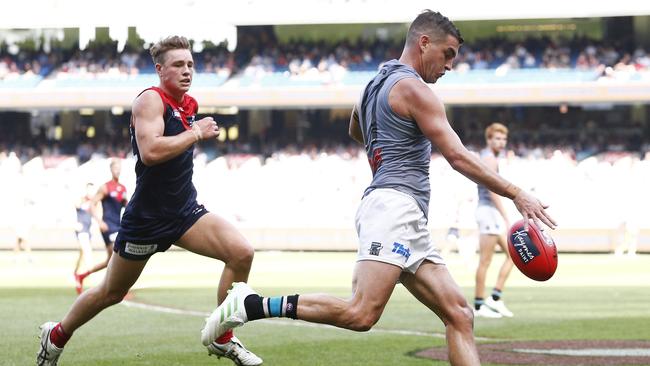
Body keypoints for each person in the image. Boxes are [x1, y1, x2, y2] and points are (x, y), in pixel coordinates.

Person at [201, 10, 556, 366]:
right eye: (447, 55)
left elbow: (357, 128)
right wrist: (517, 192)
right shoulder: (415, 89)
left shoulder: (374, 84)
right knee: (361, 314)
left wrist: (388, 143)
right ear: (424, 42)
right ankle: (251, 305)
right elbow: (458, 156)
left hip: (403, 212)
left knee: (459, 313)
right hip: (393, 208)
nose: (450, 66)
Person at [37, 36, 261, 366]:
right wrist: (196, 133)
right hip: (147, 220)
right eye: (178, 65)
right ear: (160, 69)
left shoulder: (189, 104)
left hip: (185, 212)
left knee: (241, 253)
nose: (187, 71)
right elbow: (151, 152)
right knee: (110, 293)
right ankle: (56, 335)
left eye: (190, 65)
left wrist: (193, 129)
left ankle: (222, 336)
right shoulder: (149, 101)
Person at [473, 123, 515, 318]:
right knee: (486, 260)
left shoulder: (491, 158)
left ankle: (494, 299)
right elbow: (492, 191)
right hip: (489, 211)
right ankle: (480, 305)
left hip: (490, 212)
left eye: (503, 139)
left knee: (513, 255)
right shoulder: (489, 159)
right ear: (489, 140)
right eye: (497, 138)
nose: (501, 142)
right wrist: (506, 216)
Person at [74, 158, 128, 293]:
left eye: (119, 168)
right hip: (108, 226)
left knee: (110, 260)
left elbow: (127, 206)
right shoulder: (105, 187)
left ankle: (82, 275)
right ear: (111, 170)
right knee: (120, 255)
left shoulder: (122, 188)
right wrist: (99, 221)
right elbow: (92, 204)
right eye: (116, 168)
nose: (118, 171)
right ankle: (116, 287)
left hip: (118, 226)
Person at [73, 183, 96, 295]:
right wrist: (74, 223)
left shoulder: (94, 201)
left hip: (88, 229)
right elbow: (74, 207)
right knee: (88, 253)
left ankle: (76, 273)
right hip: (81, 229)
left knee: (82, 254)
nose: (90, 191)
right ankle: (88, 279)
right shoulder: (81, 200)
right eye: (89, 189)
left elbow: (96, 214)